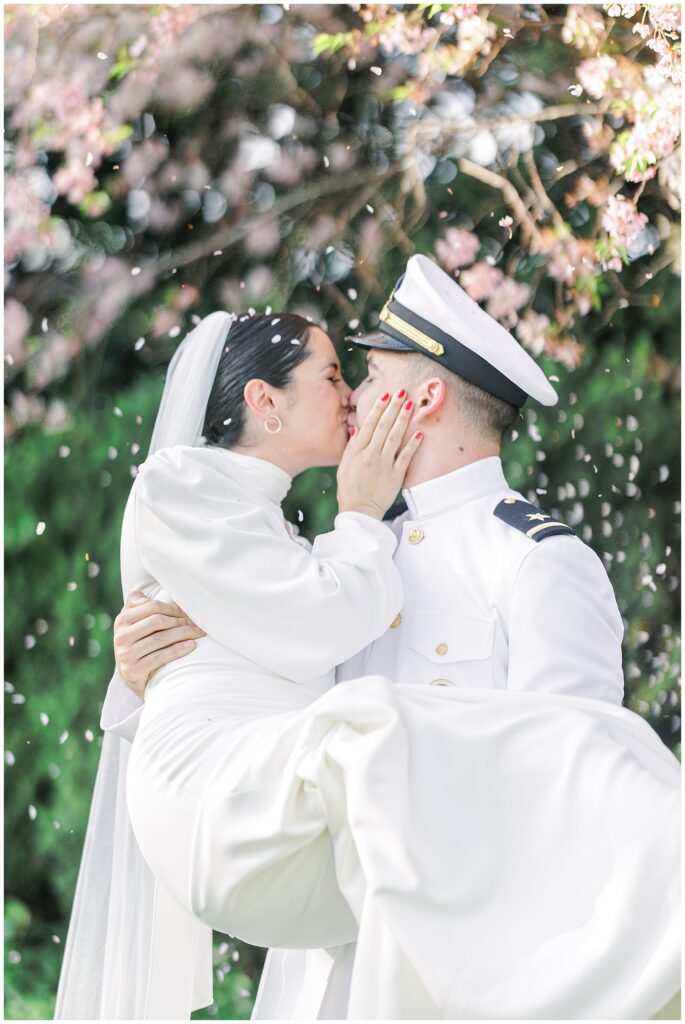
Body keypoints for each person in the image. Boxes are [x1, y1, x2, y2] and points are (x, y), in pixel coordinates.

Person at [58, 257, 680, 1021]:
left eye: (369, 373)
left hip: (448, 975)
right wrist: (147, 670)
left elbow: (575, 796)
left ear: (422, 397)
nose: (350, 397)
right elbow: (269, 688)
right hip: (316, 973)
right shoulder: (343, 549)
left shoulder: (535, 561)